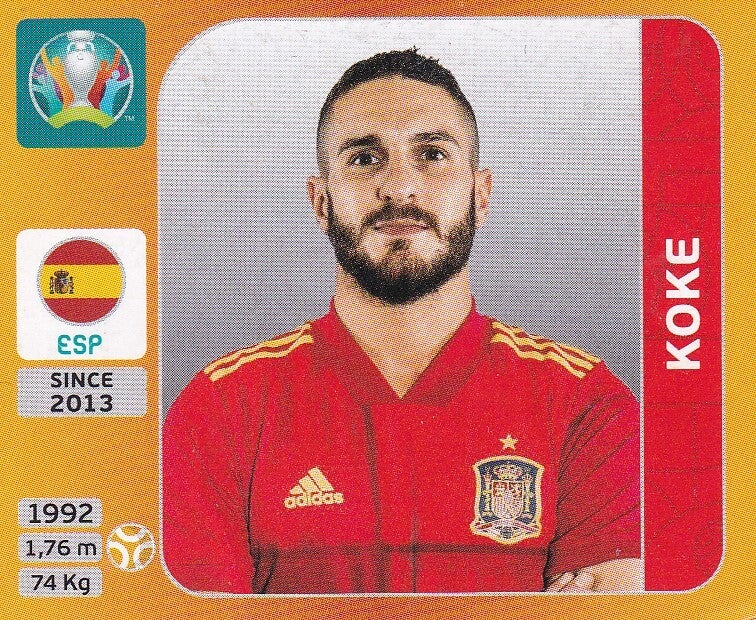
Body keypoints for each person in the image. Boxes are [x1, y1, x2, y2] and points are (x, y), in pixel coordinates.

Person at [162, 48, 641, 594]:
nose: (400, 187)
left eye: (432, 154)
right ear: (320, 201)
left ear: (480, 194)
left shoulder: (584, 402)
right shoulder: (220, 409)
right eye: (364, 158)